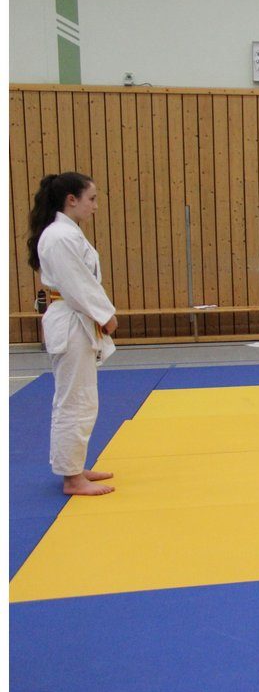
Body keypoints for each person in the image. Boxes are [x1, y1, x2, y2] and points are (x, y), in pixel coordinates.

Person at [27, 172, 119, 496]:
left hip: (74, 318)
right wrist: (106, 315)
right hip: (71, 319)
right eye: (91, 199)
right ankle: (71, 478)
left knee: (82, 399)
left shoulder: (65, 233)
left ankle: (74, 467)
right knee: (74, 401)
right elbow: (77, 284)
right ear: (71, 200)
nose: (95, 206)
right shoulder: (59, 236)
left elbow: (81, 282)